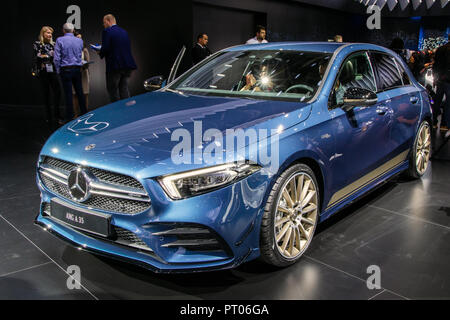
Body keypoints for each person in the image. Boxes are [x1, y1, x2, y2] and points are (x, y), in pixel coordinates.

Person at [99, 14, 137, 102]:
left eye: (104, 23)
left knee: (113, 91)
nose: (104, 25)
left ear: (108, 21)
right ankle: (127, 112)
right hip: (127, 65)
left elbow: (106, 48)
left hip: (114, 66)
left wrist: (99, 52)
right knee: (124, 89)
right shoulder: (124, 31)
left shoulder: (107, 31)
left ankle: (117, 114)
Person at [54, 23, 87, 122]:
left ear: (63, 30)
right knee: (80, 92)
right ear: (73, 30)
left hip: (66, 70)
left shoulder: (59, 40)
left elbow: (56, 58)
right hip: (77, 69)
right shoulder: (80, 41)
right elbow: (79, 55)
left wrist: (58, 70)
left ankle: (69, 118)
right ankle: (85, 115)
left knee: (68, 94)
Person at [33, 26, 62, 127]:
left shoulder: (54, 44)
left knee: (57, 93)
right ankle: (48, 117)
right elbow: (38, 55)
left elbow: (57, 56)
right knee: (46, 95)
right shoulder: (37, 44)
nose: (50, 35)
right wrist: (49, 56)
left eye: (51, 33)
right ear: (43, 34)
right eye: (48, 33)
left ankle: (57, 116)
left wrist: (46, 56)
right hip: (43, 73)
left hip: (53, 71)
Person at [433, 35, 450, 137]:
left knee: (437, 100)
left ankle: (434, 121)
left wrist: (436, 78)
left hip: (440, 79)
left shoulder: (440, 49)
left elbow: (436, 65)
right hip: (449, 80)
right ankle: (444, 124)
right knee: (448, 103)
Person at [72, 30, 90, 117]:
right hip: (74, 73)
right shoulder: (70, 49)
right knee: (75, 95)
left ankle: (85, 115)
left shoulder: (84, 49)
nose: (79, 40)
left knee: (85, 94)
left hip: (83, 73)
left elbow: (88, 62)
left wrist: (84, 64)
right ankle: (75, 115)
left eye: (80, 38)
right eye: (77, 38)